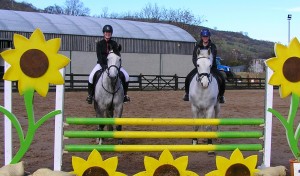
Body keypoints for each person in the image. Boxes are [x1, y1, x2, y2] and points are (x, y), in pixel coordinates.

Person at [86, 24, 130, 104]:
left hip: (114, 65)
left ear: (111, 33)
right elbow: (99, 56)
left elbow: (118, 56)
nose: (107, 34)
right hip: (101, 64)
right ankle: (90, 95)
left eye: (109, 32)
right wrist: (103, 65)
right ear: (104, 33)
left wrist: (117, 66)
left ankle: (125, 95)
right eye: (106, 32)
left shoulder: (114, 43)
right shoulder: (99, 44)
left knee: (126, 76)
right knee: (91, 76)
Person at [183, 28, 226, 103]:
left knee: (221, 78)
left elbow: (213, 56)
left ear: (209, 37)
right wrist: (197, 65)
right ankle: (187, 94)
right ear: (201, 37)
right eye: (204, 36)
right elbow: (194, 57)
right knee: (188, 77)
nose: (205, 38)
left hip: (211, 67)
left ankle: (221, 96)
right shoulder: (197, 46)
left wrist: (209, 65)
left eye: (206, 36)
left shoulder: (213, 46)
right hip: (200, 67)